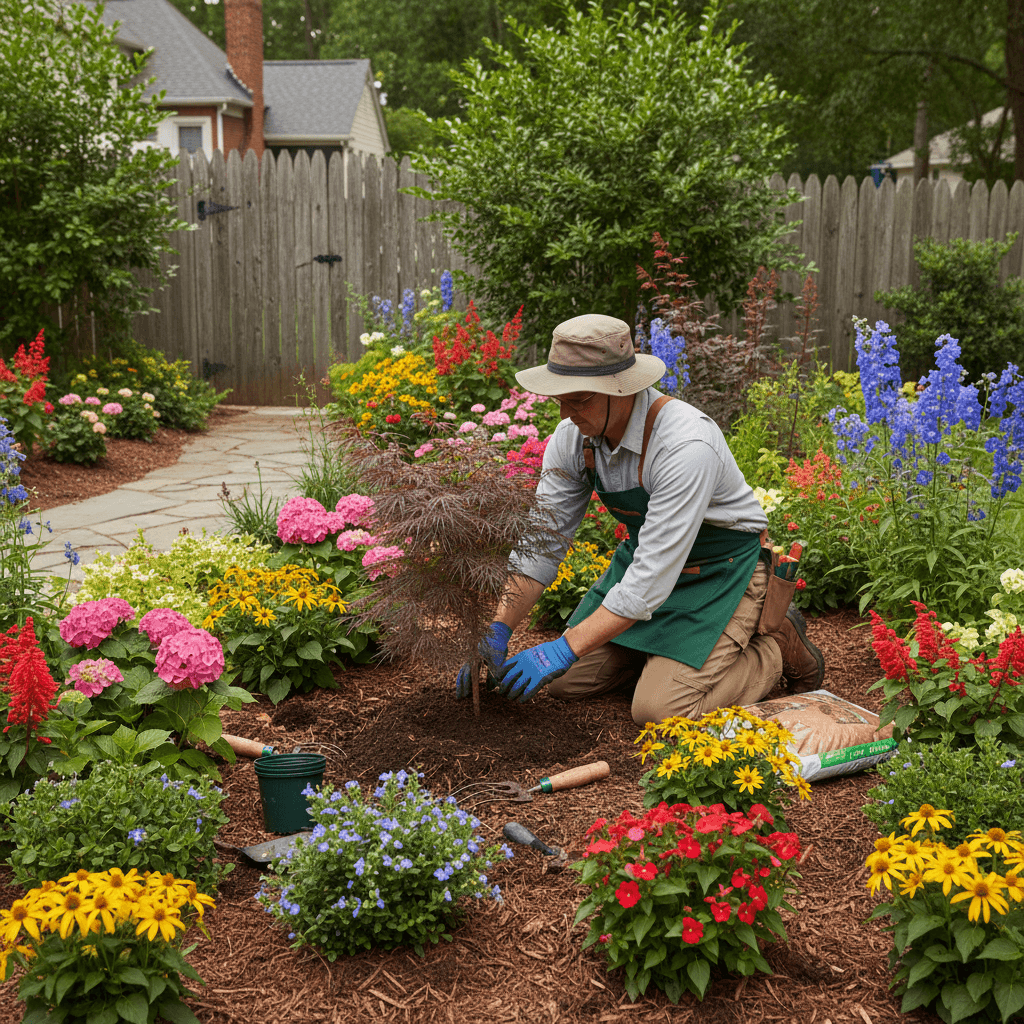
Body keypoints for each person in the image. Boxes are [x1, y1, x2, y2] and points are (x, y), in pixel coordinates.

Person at [454, 313, 824, 725]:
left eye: (580, 399)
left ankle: (773, 644)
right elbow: (542, 543)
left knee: (660, 710)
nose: (565, 413)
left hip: (724, 574)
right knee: (563, 684)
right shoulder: (572, 439)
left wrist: (561, 649)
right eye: (560, 398)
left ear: (622, 389)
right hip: (650, 567)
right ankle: (660, 657)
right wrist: (498, 629)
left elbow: (649, 581)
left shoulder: (686, 444)